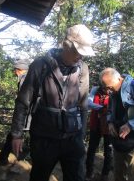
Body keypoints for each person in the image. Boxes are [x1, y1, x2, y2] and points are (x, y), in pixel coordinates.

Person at [11, 24, 95, 181]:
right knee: (39, 176)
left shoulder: (82, 68)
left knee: (77, 177)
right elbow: (23, 101)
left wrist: (81, 135)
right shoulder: (41, 65)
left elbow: (83, 104)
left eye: (83, 53)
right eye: (77, 51)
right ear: (65, 45)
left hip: (73, 138)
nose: (80, 56)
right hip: (44, 138)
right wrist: (17, 134)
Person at [0, 59, 30, 166]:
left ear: (19, 70)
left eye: (15, 70)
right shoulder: (28, 78)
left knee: (15, 136)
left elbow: (24, 101)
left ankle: (7, 159)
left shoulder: (25, 80)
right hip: (28, 116)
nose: (14, 73)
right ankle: (4, 158)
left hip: (27, 116)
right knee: (12, 136)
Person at [85, 84, 113, 181]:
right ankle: (89, 172)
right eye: (106, 87)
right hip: (95, 124)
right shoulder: (95, 90)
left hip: (109, 126)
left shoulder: (115, 92)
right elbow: (88, 103)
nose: (108, 90)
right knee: (91, 149)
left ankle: (105, 175)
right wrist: (103, 108)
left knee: (108, 151)